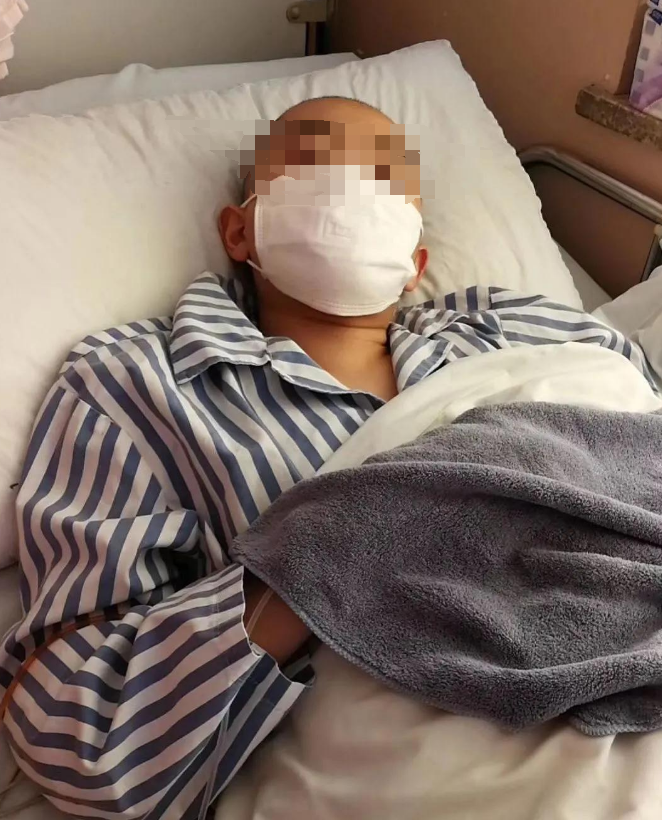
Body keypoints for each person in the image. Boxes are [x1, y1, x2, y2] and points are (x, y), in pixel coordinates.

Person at [0, 97, 653, 820]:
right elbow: (70, 726)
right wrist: (321, 561)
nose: (353, 188)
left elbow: (633, 422)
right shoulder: (136, 382)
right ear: (240, 229)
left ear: (414, 262)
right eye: (316, 161)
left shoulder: (504, 327)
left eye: (384, 179)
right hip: (432, 756)